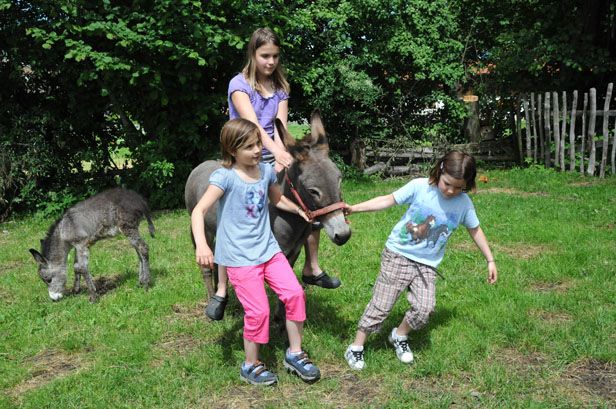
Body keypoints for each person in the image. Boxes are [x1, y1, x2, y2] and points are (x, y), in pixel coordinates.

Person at [206, 27, 339, 321]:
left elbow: (280, 126)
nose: (271, 62)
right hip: (245, 149)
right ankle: (222, 288)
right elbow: (252, 125)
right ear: (253, 54)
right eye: (265, 56)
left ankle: (311, 267)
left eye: (275, 56)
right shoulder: (238, 85)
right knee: (234, 216)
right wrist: (273, 154)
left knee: (310, 196)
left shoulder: (280, 88)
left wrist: (284, 156)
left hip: (275, 149)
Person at [191, 118, 320, 385]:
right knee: (258, 311)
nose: (256, 150)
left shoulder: (265, 171)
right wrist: (203, 244)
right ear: (232, 150)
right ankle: (250, 365)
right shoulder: (224, 177)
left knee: (295, 294)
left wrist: (297, 209)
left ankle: (294, 354)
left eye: (258, 144)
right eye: (248, 146)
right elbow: (198, 210)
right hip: (239, 258)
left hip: (268, 250)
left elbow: (275, 198)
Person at [342, 151, 498, 370]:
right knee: (382, 304)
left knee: (425, 309)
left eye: (458, 187)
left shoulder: (464, 204)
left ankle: (399, 334)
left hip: (427, 265)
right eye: (447, 184)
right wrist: (355, 208)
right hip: (398, 254)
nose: (451, 191)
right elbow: (388, 200)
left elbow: (475, 229)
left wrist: (490, 260)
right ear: (440, 170)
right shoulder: (419, 187)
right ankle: (356, 347)